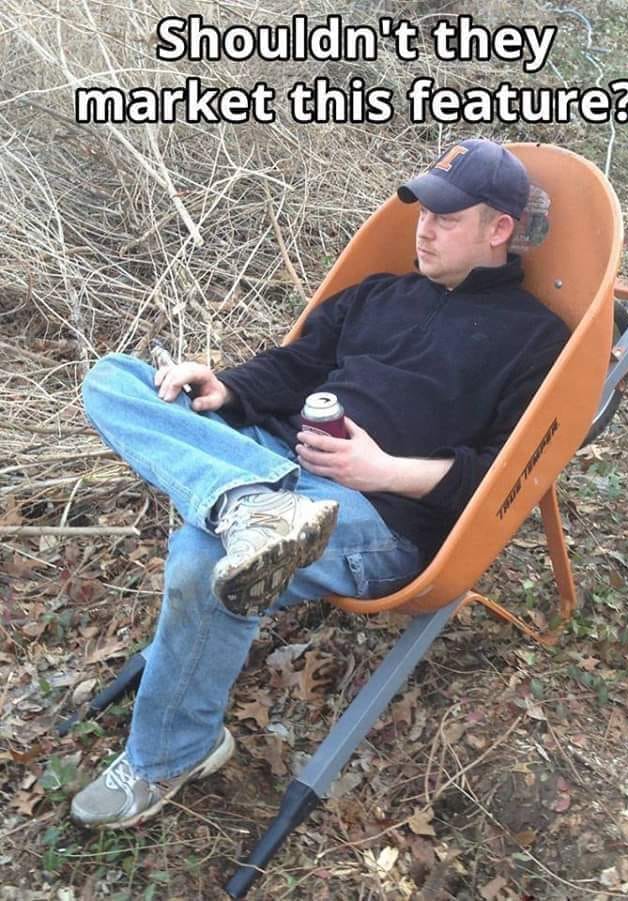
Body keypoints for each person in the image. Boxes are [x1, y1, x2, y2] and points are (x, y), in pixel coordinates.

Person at [70, 138, 570, 829]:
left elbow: (504, 478)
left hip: (381, 514)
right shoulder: (381, 293)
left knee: (206, 559)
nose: (424, 229)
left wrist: (383, 470)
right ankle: (250, 505)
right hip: (276, 453)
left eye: (447, 218)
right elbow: (296, 365)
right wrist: (224, 387)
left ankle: (170, 753)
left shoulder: (538, 342)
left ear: (500, 229)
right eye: (423, 212)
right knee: (114, 378)